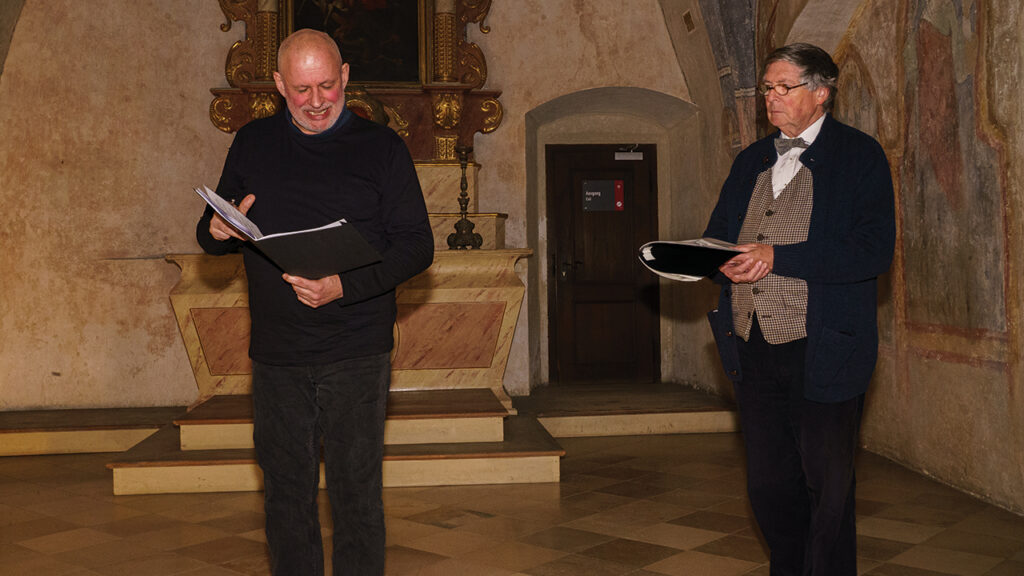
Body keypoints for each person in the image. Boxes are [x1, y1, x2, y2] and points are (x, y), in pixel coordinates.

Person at [196, 29, 434, 576]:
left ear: (345, 75)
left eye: (327, 85)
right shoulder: (253, 143)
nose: (317, 101)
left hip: (356, 349)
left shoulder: (383, 149)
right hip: (278, 353)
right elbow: (213, 236)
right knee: (285, 498)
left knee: (356, 496)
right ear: (280, 85)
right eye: (301, 89)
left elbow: (418, 247)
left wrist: (342, 286)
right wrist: (216, 228)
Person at [703, 43, 895, 575]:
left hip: (823, 346)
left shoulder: (859, 156)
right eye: (767, 87)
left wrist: (776, 256)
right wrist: (712, 261)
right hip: (752, 342)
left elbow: (872, 250)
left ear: (821, 93)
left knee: (827, 486)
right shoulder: (751, 160)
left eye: (783, 87)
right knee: (768, 483)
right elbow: (720, 235)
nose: (771, 97)